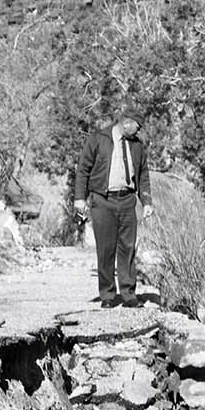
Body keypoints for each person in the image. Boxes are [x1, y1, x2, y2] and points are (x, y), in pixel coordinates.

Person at [73, 113, 154, 306]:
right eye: (137, 127)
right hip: (103, 200)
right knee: (106, 249)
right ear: (126, 123)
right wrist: (79, 198)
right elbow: (83, 169)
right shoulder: (98, 139)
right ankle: (107, 295)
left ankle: (129, 295)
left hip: (127, 201)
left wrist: (146, 201)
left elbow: (143, 175)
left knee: (128, 248)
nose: (139, 131)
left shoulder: (137, 146)